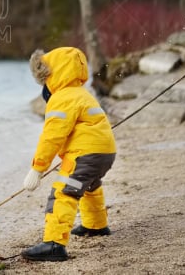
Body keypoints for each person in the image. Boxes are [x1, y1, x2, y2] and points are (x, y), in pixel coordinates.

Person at [20, 46, 117, 262]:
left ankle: (54, 243)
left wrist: (37, 169)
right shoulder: (83, 94)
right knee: (90, 185)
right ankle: (96, 225)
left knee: (64, 192)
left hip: (85, 155)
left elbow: (51, 137)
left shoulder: (62, 98)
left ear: (51, 75)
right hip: (105, 154)